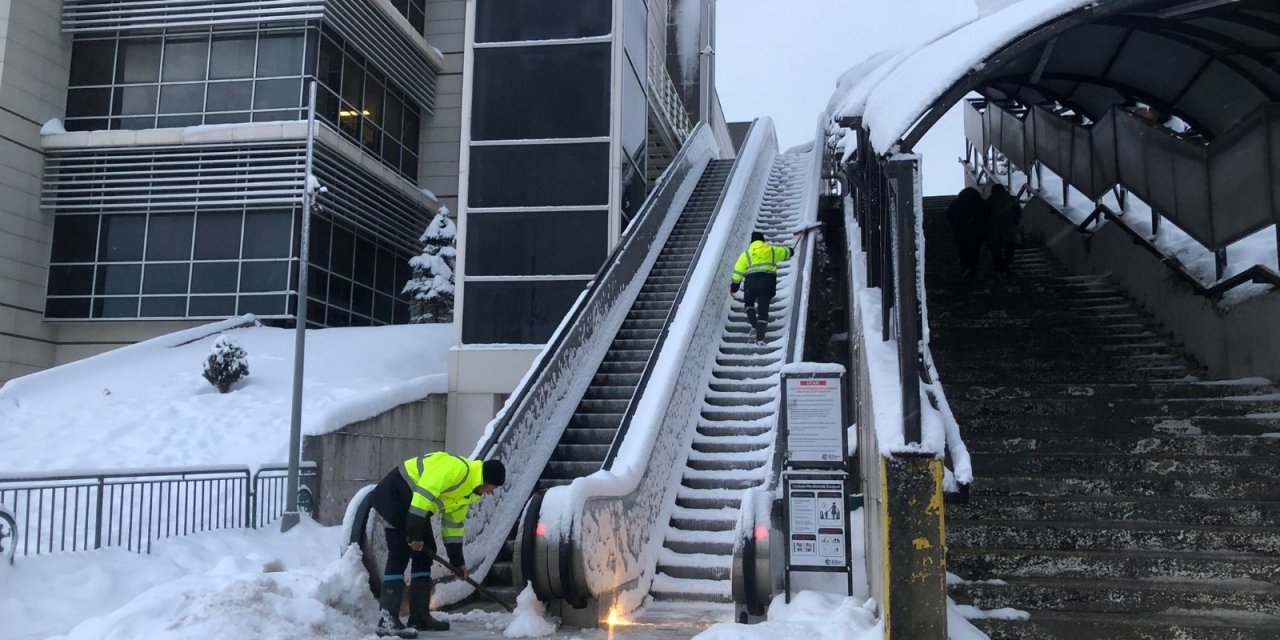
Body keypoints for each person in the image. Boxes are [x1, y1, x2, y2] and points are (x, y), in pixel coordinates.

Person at [369, 452, 506, 636]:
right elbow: (423, 495)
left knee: (426, 553)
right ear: (485, 480)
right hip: (395, 495)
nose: (492, 492)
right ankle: (387, 620)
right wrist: (415, 535)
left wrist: (458, 563)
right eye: (493, 487)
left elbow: (452, 528)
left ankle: (419, 617)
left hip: (415, 506)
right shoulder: (457, 470)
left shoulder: (467, 494)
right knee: (399, 553)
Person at [729, 230, 794, 345]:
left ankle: (755, 325)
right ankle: (760, 338)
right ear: (762, 241)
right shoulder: (771, 250)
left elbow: (738, 272)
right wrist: (791, 251)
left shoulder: (746, 255)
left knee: (749, 305)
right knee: (763, 310)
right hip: (767, 285)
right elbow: (785, 252)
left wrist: (734, 287)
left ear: (752, 242)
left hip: (751, 284)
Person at [944, 187, 987, 278]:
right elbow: (984, 215)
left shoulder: (957, 202)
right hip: (975, 233)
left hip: (961, 232)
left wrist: (955, 224)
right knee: (974, 251)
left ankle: (965, 267)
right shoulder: (978, 202)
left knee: (962, 251)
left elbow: (948, 215)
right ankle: (972, 268)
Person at [984, 184, 1022, 274]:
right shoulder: (1012, 200)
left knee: (995, 249)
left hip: (994, 229)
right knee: (1010, 246)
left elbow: (984, 216)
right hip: (1009, 228)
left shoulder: (988, 202)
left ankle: (999, 266)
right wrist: (1014, 223)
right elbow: (1018, 213)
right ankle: (1008, 264)